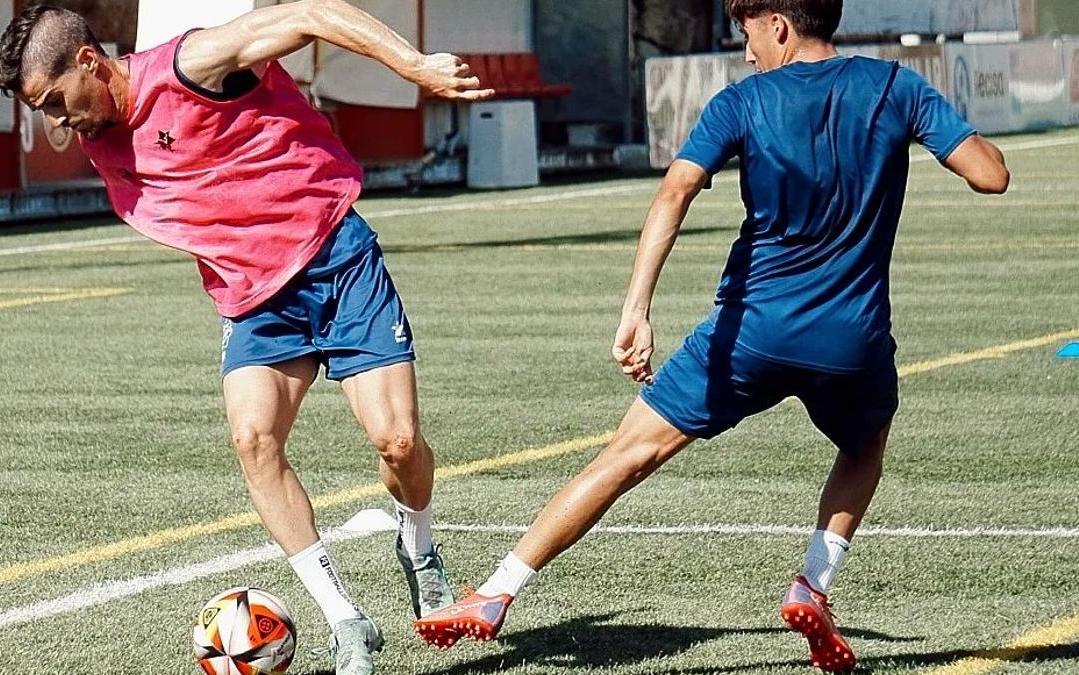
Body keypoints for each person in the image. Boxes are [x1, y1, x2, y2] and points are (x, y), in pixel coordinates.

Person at [412, 0, 1009, 670]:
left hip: (749, 333)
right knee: (864, 447)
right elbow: (991, 175)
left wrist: (637, 306)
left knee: (625, 456)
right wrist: (931, 124)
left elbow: (673, 195)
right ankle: (812, 581)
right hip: (852, 339)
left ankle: (496, 592)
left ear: (779, 25)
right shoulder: (897, 88)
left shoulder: (742, 101)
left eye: (748, 33)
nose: (746, 49)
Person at [0, 4, 492, 674]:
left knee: (397, 441)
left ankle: (420, 548)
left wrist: (411, 65)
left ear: (89, 61)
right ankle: (347, 621)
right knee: (254, 439)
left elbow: (311, 13)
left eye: (55, 102)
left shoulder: (192, 63)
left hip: (336, 260)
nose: (56, 122)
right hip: (255, 300)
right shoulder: (94, 128)